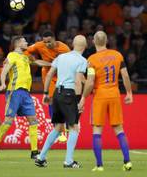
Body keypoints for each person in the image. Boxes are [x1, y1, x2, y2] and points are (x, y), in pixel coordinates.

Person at [0, 36, 51, 160]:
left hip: (26, 94)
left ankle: (34, 152)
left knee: (33, 121)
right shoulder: (12, 55)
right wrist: (2, 83)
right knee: (8, 122)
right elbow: (5, 70)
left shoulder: (26, 56)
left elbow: (37, 62)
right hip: (14, 92)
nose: (27, 42)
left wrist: (52, 64)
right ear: (18, 44)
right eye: (24, 41)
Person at [78, 31, 133, 171]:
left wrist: (83, 98)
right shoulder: (117, 55)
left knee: (97, 130)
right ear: (107, 40)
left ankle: (99, 165)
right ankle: (127, 162)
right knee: (119, 129)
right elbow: (125, 76)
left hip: (100, 96)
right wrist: (129, 93)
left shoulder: (92, 59)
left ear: (94, 42)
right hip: (114, 94)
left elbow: (90, 83)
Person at [35, 35, 87, 168]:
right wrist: (80, 99)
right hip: (69, 94)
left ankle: (41, 158)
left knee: (58, 127)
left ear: (73, 44)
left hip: (56, 93)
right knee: (74, 126)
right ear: (85, 46)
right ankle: (69, 161)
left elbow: (49, 74)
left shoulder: (61, 57)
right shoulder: (82, 60)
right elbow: (77, 80)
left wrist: (46, 93)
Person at [25, 30, 70, 142]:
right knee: (50, 99)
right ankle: (58, 129)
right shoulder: (39, 45)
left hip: (61, 75)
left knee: (63, 100)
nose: (47, 44)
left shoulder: (64, 49)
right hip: (48, 74)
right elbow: (26, 51)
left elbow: (71, 63)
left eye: (49, 42)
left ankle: (67, 126)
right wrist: (34, 60)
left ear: (55, 39)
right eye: (45, 42)